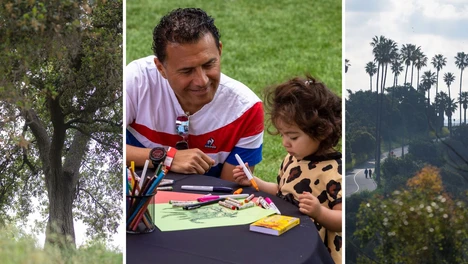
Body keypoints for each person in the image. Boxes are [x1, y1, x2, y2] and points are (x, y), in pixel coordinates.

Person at [126, 8, 264, 181]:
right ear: (161, 68)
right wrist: (167, 157)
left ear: (219, 50)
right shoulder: (137, 80)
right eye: (187, 71)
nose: (202, 81)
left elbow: (229, 191)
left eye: (209, 64)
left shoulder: (246, 109)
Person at [233, 75, 342, 263]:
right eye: (282, 135)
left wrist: (319, 212)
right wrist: (253, 180)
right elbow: (282, 191)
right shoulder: (292, 159)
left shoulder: (334, 172)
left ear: (322, 131)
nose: (285, 143)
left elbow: (343, 219)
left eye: (293, 137)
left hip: (317, 252)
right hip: (289, 240)